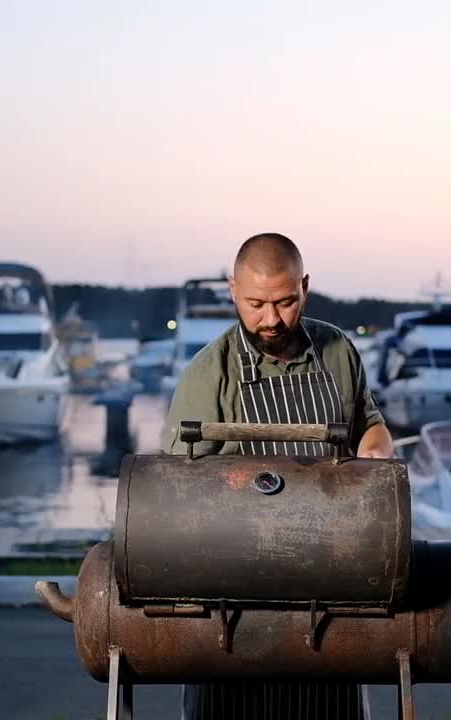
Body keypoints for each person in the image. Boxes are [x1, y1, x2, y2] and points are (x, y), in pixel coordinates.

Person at [162, 232, 392, 720]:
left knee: (330, 705)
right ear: (232, 291)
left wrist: (374, 454)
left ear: (305, 287)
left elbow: (369, 425)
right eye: (256, 304)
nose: (271, 319)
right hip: (236, 590)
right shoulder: (208, 375)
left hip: (332, 577)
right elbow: (176, 492)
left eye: (286, 302)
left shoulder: (338, 352)